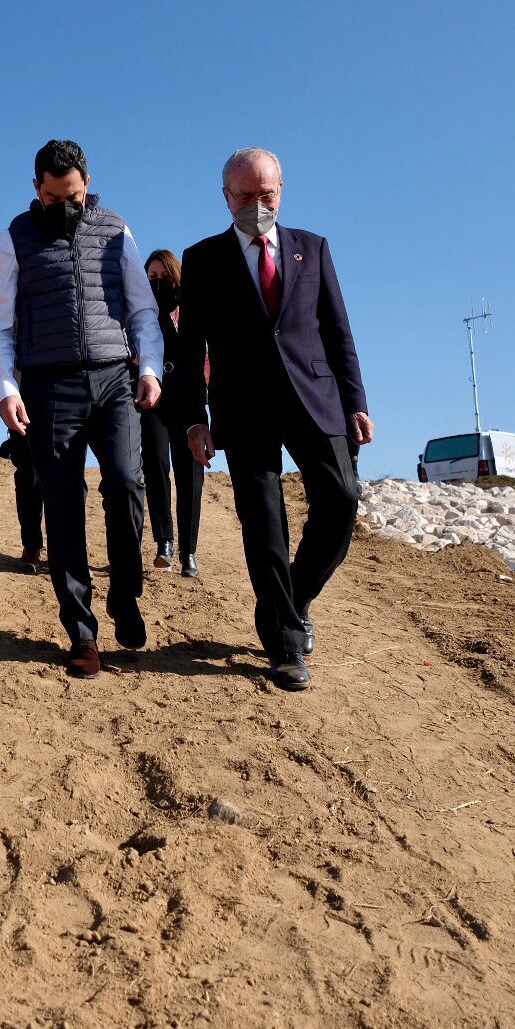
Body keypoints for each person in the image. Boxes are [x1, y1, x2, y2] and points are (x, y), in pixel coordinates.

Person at [179, 148, 371, 692]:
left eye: (266, 195)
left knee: (341, 501)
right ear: (226, 197)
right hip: (242, 407)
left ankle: (297, 594)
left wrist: (356, 401)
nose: (257, 205)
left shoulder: (313, 249)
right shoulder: (203, 259)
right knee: (264, 525)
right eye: (245, 196)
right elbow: (191, 348)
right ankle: (285, 642)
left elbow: (338, 331)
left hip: (317, 398)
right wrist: (195, 418)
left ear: (281, 190)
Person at [0, 139, 163, 678]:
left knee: (127, 485)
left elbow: (141, 307)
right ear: (38, 189)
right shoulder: (15, 236)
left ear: (87, 185)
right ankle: (82, 632)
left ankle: (125, 596)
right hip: (49, 383)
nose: (69, 205)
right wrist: (6, 388)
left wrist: (149, 367)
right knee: (62, 502)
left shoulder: (115, 228)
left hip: (113, 377)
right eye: (56, 196)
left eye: (77, 196)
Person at [141, 249, 204, 577]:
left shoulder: (193, 312)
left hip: (188, 404)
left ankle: (188, 551)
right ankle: (164, 541)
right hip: (152, 403)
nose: (158, 283)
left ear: (176, 277)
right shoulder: (141, 314)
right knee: (155, 465)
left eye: (164, 277)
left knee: (191, 475)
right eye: (151, 278)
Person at [0, 427, 45, 573]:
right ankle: (31, 546)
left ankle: (70, 550)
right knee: (28, 477)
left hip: (71, 407)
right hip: (26, 411)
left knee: (68, 474)